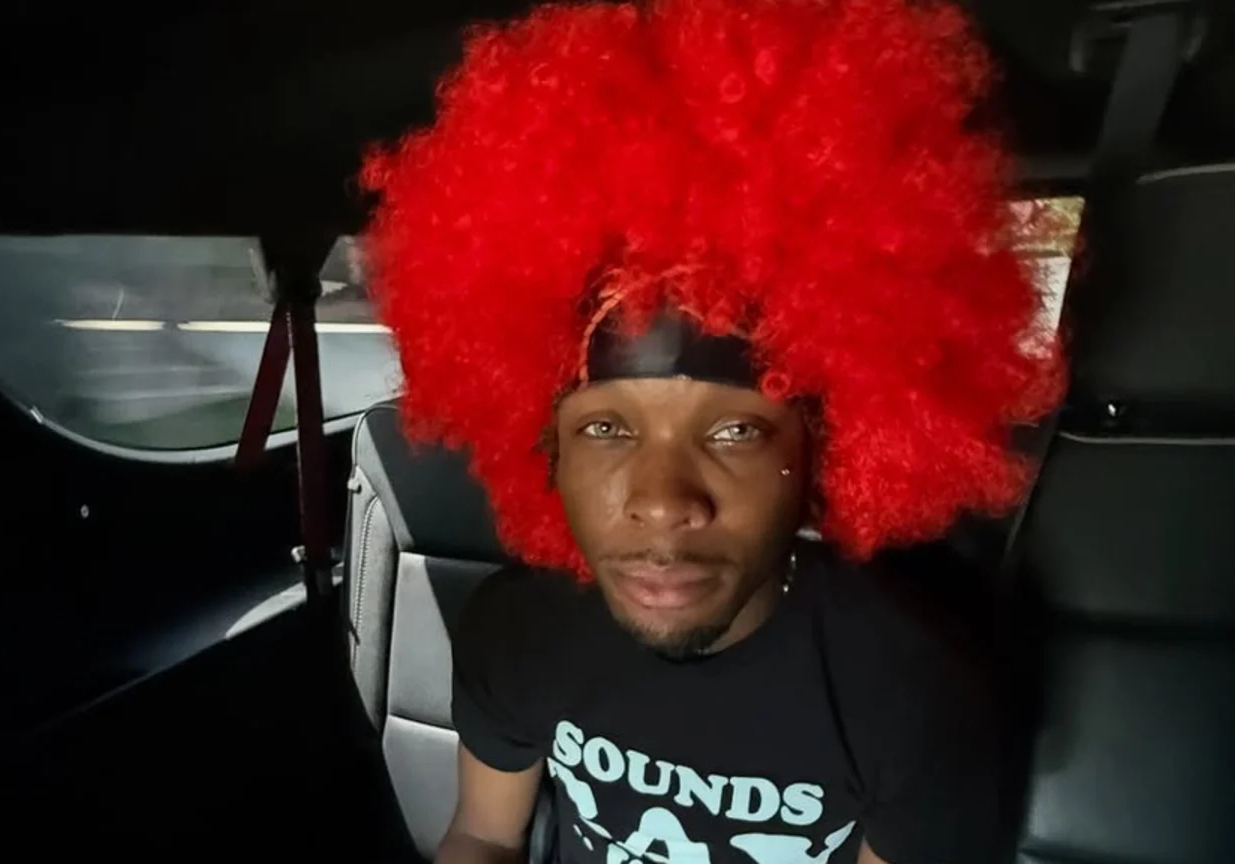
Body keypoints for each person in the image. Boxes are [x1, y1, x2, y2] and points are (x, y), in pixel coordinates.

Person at [359, 1, 1062, 862]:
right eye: (609, 428)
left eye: (734, 432)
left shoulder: (909, 689)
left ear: (820, 455)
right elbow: (482, 836)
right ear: (545, 450)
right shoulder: (519, 631)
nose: (661, 503)